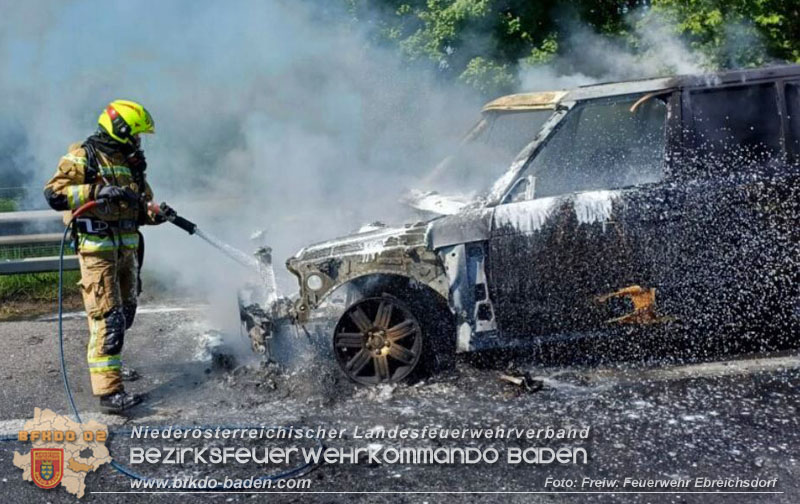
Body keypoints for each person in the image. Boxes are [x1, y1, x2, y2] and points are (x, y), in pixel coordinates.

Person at [43, 100, 166, 413]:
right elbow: (54, 193)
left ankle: (111, 365)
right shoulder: (85, 156)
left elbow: (139, 207)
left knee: (126, 313)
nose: (139, 142)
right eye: (136, 134)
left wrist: (157, 214)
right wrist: (93, 193)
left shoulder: (129, 164)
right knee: (107, 318)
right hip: (97, 251)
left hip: (126, 251)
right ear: (121, 130)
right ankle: (109, 393)